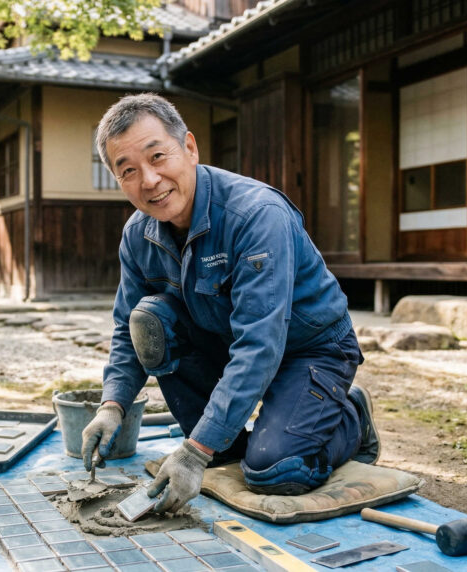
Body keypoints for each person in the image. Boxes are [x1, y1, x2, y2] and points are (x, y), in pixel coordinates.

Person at [80, 93, 380, 514]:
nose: (148, 180)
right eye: (128, 171)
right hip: (225, 339)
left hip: (309, 348)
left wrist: (193, 451)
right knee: (152, 322)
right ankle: (232, 441)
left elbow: (261, 344)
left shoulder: (256, 215)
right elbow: (126, 328)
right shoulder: (137, 234)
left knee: (275, 471)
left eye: (158, 157)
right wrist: (112, 406)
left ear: (189, 147)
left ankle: (350, 416)